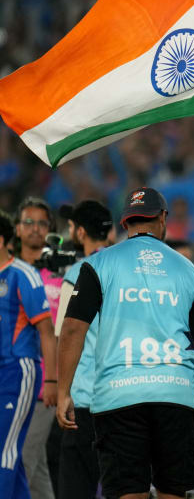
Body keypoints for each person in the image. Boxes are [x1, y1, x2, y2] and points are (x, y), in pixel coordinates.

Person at [57, 187, 194, 499]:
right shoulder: (190, 271)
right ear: (162, 218)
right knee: (174, 490)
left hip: (118, 395)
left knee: (129, 491)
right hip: (176, 394)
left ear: (126, 223)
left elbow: (73, 329)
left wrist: (64, 391)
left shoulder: (99, 265)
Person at [53, 200, 112, 499]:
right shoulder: (124, 269)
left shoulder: (77, 272)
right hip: (121, 397)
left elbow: (63, 333)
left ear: (80, 232)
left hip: (84, 399)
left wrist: (61, 391)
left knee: (76, 485)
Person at [0, 209, 58, 499]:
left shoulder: (24, 275)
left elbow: (46, 330)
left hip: (19, 371)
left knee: (5, 452)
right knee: (14, 457)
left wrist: (52, 382)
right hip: (2, 375)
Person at [14, 197, 62, 499]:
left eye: (41, 223)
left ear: (50, 229)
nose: (34, 229)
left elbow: (57, 334)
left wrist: (54, 381)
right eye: (28, 222)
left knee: (21, 460)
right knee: (37, 466)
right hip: (11, 380)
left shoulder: (58, 278)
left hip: (44, 384)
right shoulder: (8, 272)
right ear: (17, 229)